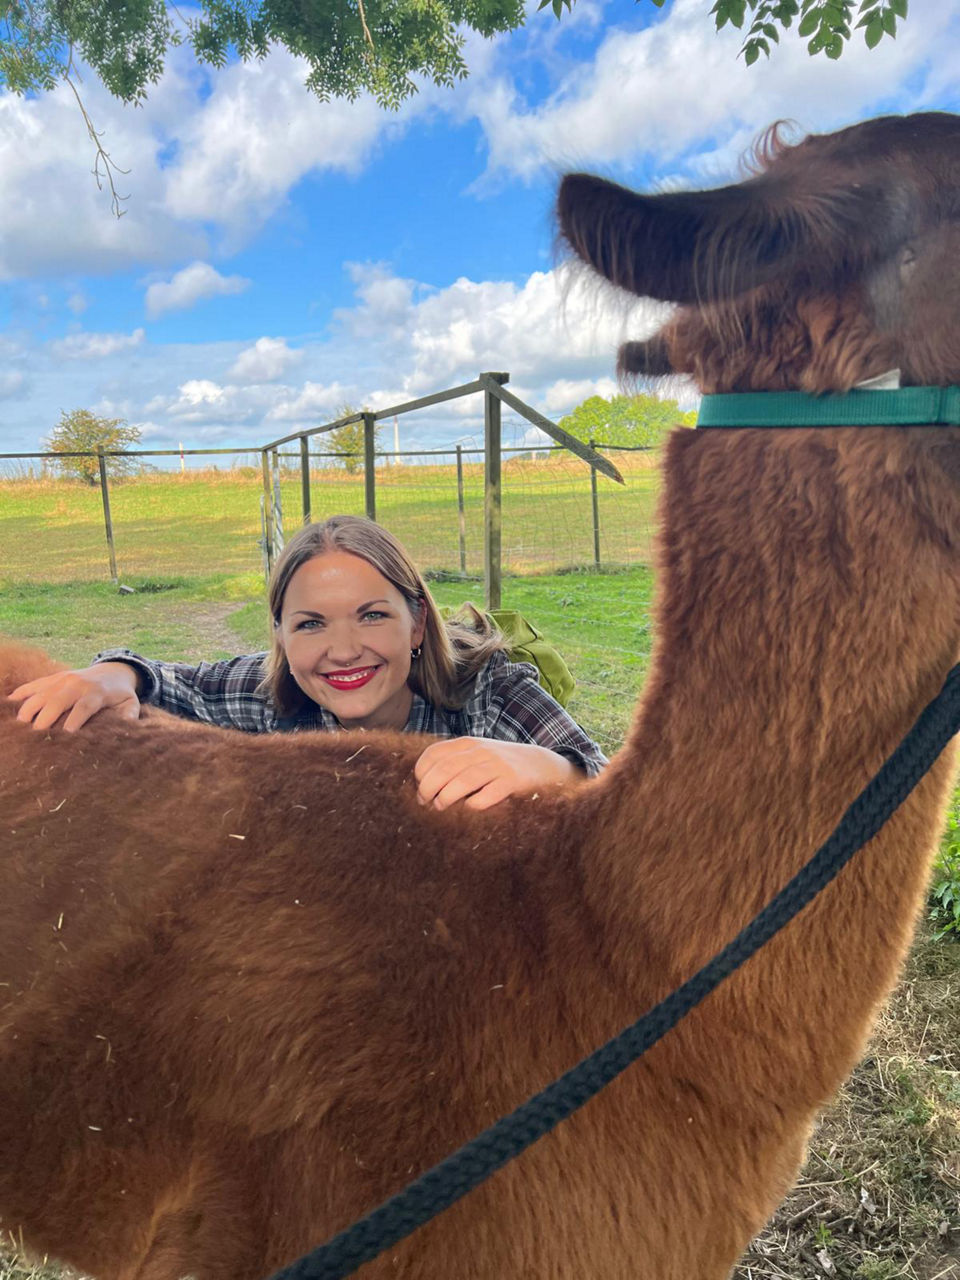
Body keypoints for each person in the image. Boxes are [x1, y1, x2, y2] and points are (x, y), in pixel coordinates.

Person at [10, 515, 607, 811]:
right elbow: (168, 680)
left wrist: (549, 767)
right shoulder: (273, 694)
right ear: (280, 636)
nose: (342, 650)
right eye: (311, 624)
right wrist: (113, 675)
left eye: (372, 615)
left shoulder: (489, 691)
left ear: (417, 621)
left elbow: (606, 783)